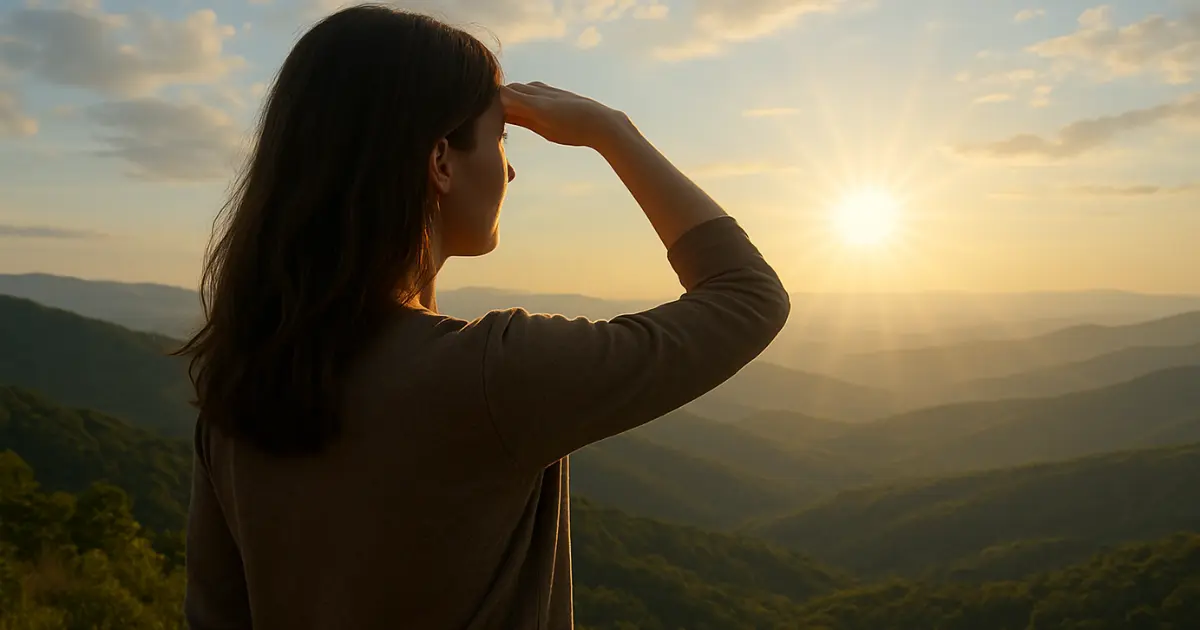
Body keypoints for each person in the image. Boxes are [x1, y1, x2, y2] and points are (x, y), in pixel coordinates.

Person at [179, 5, 790, 630]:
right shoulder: (489, 375)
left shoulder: (240, 381)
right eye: (501, 137)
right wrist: (614, 133)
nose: (512, 167)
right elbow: (747, 296)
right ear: (440, 160)